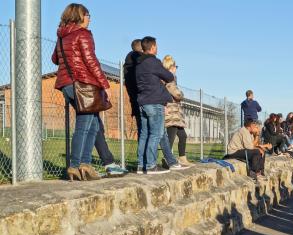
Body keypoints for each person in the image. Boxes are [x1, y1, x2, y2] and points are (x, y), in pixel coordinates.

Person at [52, 4, 127, 180]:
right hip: (83, 85)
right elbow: (91, 61)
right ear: (80, 16)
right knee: (83, 127)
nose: (90, 18)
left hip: (66, 85)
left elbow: (55, 59)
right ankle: (75, 166)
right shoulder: (83, 34)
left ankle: (85, 165)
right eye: (88, 15)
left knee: (93, 125)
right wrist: (105, 84)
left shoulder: (62, 36)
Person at [135, 36, 180, 174]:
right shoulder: (153, 61)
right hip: (154, 102)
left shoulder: (139, 63)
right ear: (153, 47)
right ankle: (150, 166)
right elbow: (168, 77)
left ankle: (141, 165)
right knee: (156, 134)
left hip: (142, 102)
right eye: (156, 46)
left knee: (144, 134)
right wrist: (170, 72)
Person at [162, 55, 190, 166]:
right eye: (175, 66)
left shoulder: (171, 77)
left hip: (176, 111)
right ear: (171, 66)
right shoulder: (168, 77)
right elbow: (174, 92)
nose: (176, 68)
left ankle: (182, 158)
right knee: (171, 136)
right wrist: (181, 94)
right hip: (171, 110)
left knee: (183, 136)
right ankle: (166, 159)